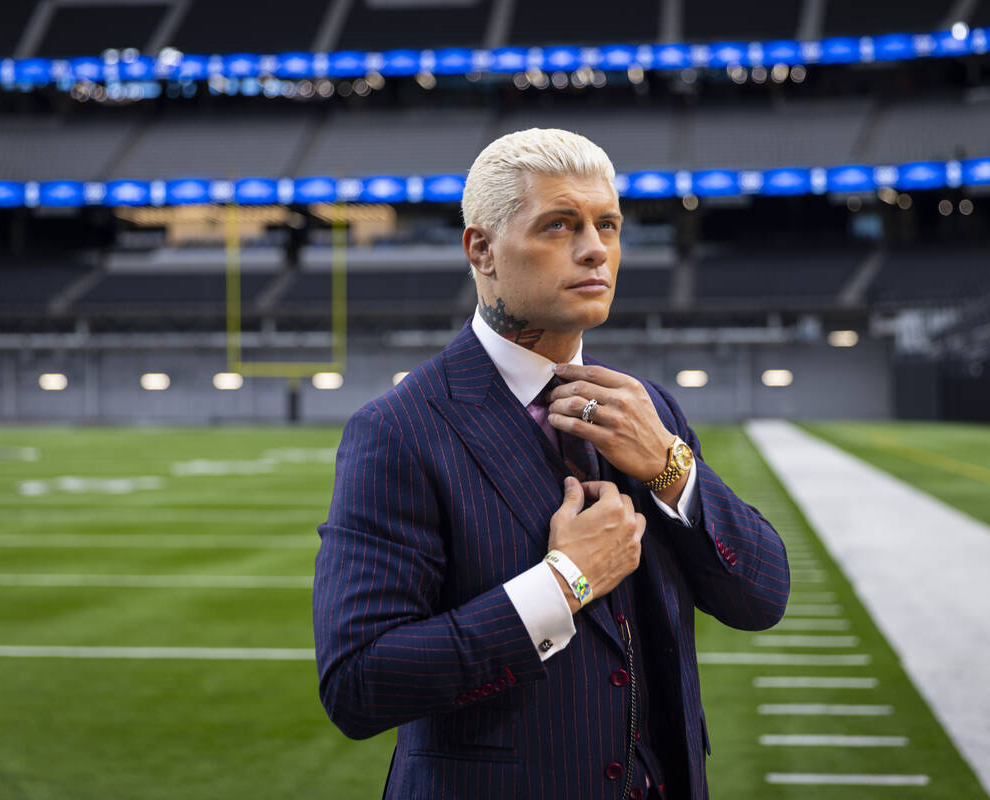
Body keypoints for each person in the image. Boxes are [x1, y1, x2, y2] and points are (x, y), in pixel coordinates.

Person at [312, 128, 790, 799]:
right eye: (560, 225)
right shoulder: (398, 430)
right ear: (481, 250)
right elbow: (359, 682)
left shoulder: (647, 410)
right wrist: (562, 584)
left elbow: (762, 598)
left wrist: (670, 468)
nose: (595, 249)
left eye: (608, 225)